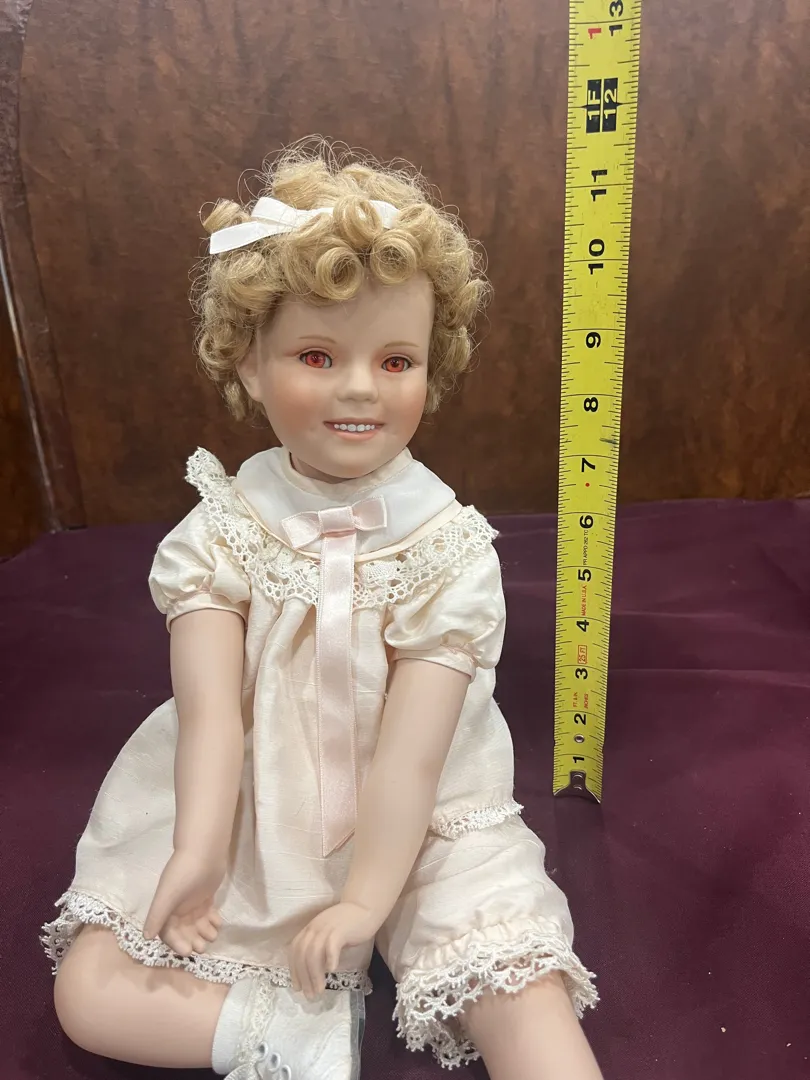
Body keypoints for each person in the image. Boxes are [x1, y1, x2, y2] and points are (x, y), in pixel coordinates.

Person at [42, 140, 601, 1080]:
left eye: (396, 359)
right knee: (89, 992)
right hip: (249, 803)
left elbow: (413, 759)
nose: (358, 388)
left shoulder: (448, 551)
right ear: (248, 366)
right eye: (315, 355)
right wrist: (197, 846)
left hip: (423, 815)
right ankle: (290, 1035)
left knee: (522, 991)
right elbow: (211, 717)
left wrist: (367, 901)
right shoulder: (222, 530)